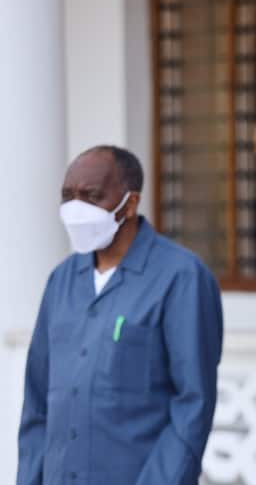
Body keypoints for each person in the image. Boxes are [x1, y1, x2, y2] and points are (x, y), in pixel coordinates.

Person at [18, 146, 223, 485]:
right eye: (68, 196)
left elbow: (192, 406)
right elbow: (37, 403)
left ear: (129, 203)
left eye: (92, 196)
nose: (76, 208)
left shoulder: (181, 278)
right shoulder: (61, 281)